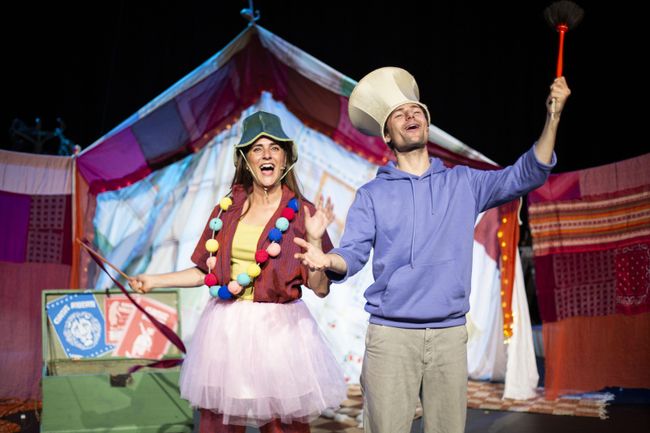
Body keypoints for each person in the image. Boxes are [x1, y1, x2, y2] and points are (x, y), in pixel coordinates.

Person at [294, 67, 571, 433]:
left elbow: (526, 175)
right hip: (391, 337)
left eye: (416, 111)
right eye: (399, 114)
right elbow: (353, 254)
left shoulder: (463, 182)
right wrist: (326, 257)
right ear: (387, 136)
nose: (410, 115)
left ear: (426, 125)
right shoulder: (372, 195)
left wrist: (553, 117)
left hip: (448, 335)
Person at [129, 111, 346, 432]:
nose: (267, 154)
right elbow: (205, 272)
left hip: (279, 332)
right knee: (219, 423)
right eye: (257, 149)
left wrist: (315, 240)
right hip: (226, 329)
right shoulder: (227, 209)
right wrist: (153, 280)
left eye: (274, 147)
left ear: (286, 158)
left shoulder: (303, 212)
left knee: (282, 424)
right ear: (245, 159)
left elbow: (321, 288)